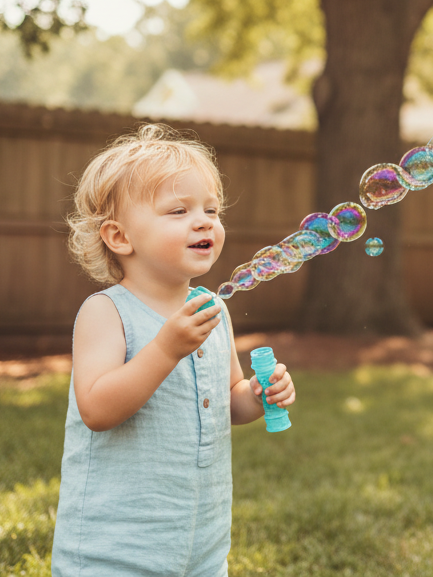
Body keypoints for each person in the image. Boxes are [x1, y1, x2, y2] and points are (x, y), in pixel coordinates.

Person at [53, 123, 295, 576]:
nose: (204, 221)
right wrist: (166, 349)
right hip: (117, 548)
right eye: (179, 210)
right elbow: (97, 410)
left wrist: (258, 395)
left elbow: (229, 401)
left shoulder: (212, 310)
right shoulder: (106, 312)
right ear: (119, 237)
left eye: (212, 209)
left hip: (201, 543)